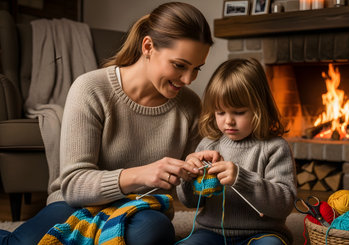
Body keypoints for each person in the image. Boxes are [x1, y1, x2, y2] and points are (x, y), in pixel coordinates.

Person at [0, 2, 220, 245]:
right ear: (148, 47)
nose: (188, 79)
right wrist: (143, 174)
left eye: (196, 69)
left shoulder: (190, 105)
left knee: (154, 233)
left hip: (139, 211)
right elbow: (73, 186)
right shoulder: (91, 89)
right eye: (179, 65)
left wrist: (197, 175)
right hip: (75, 205)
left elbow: (189, 200)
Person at [176, 58, 297, 245]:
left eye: (239, 112)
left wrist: (242, 179)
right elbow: (190, 202)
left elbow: (284, 204)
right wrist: (188, 176)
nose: (228, 121)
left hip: (262, 233)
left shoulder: (275, 148)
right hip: (211, 232)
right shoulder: (208, 145)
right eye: (220, 112)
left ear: (259, 109)